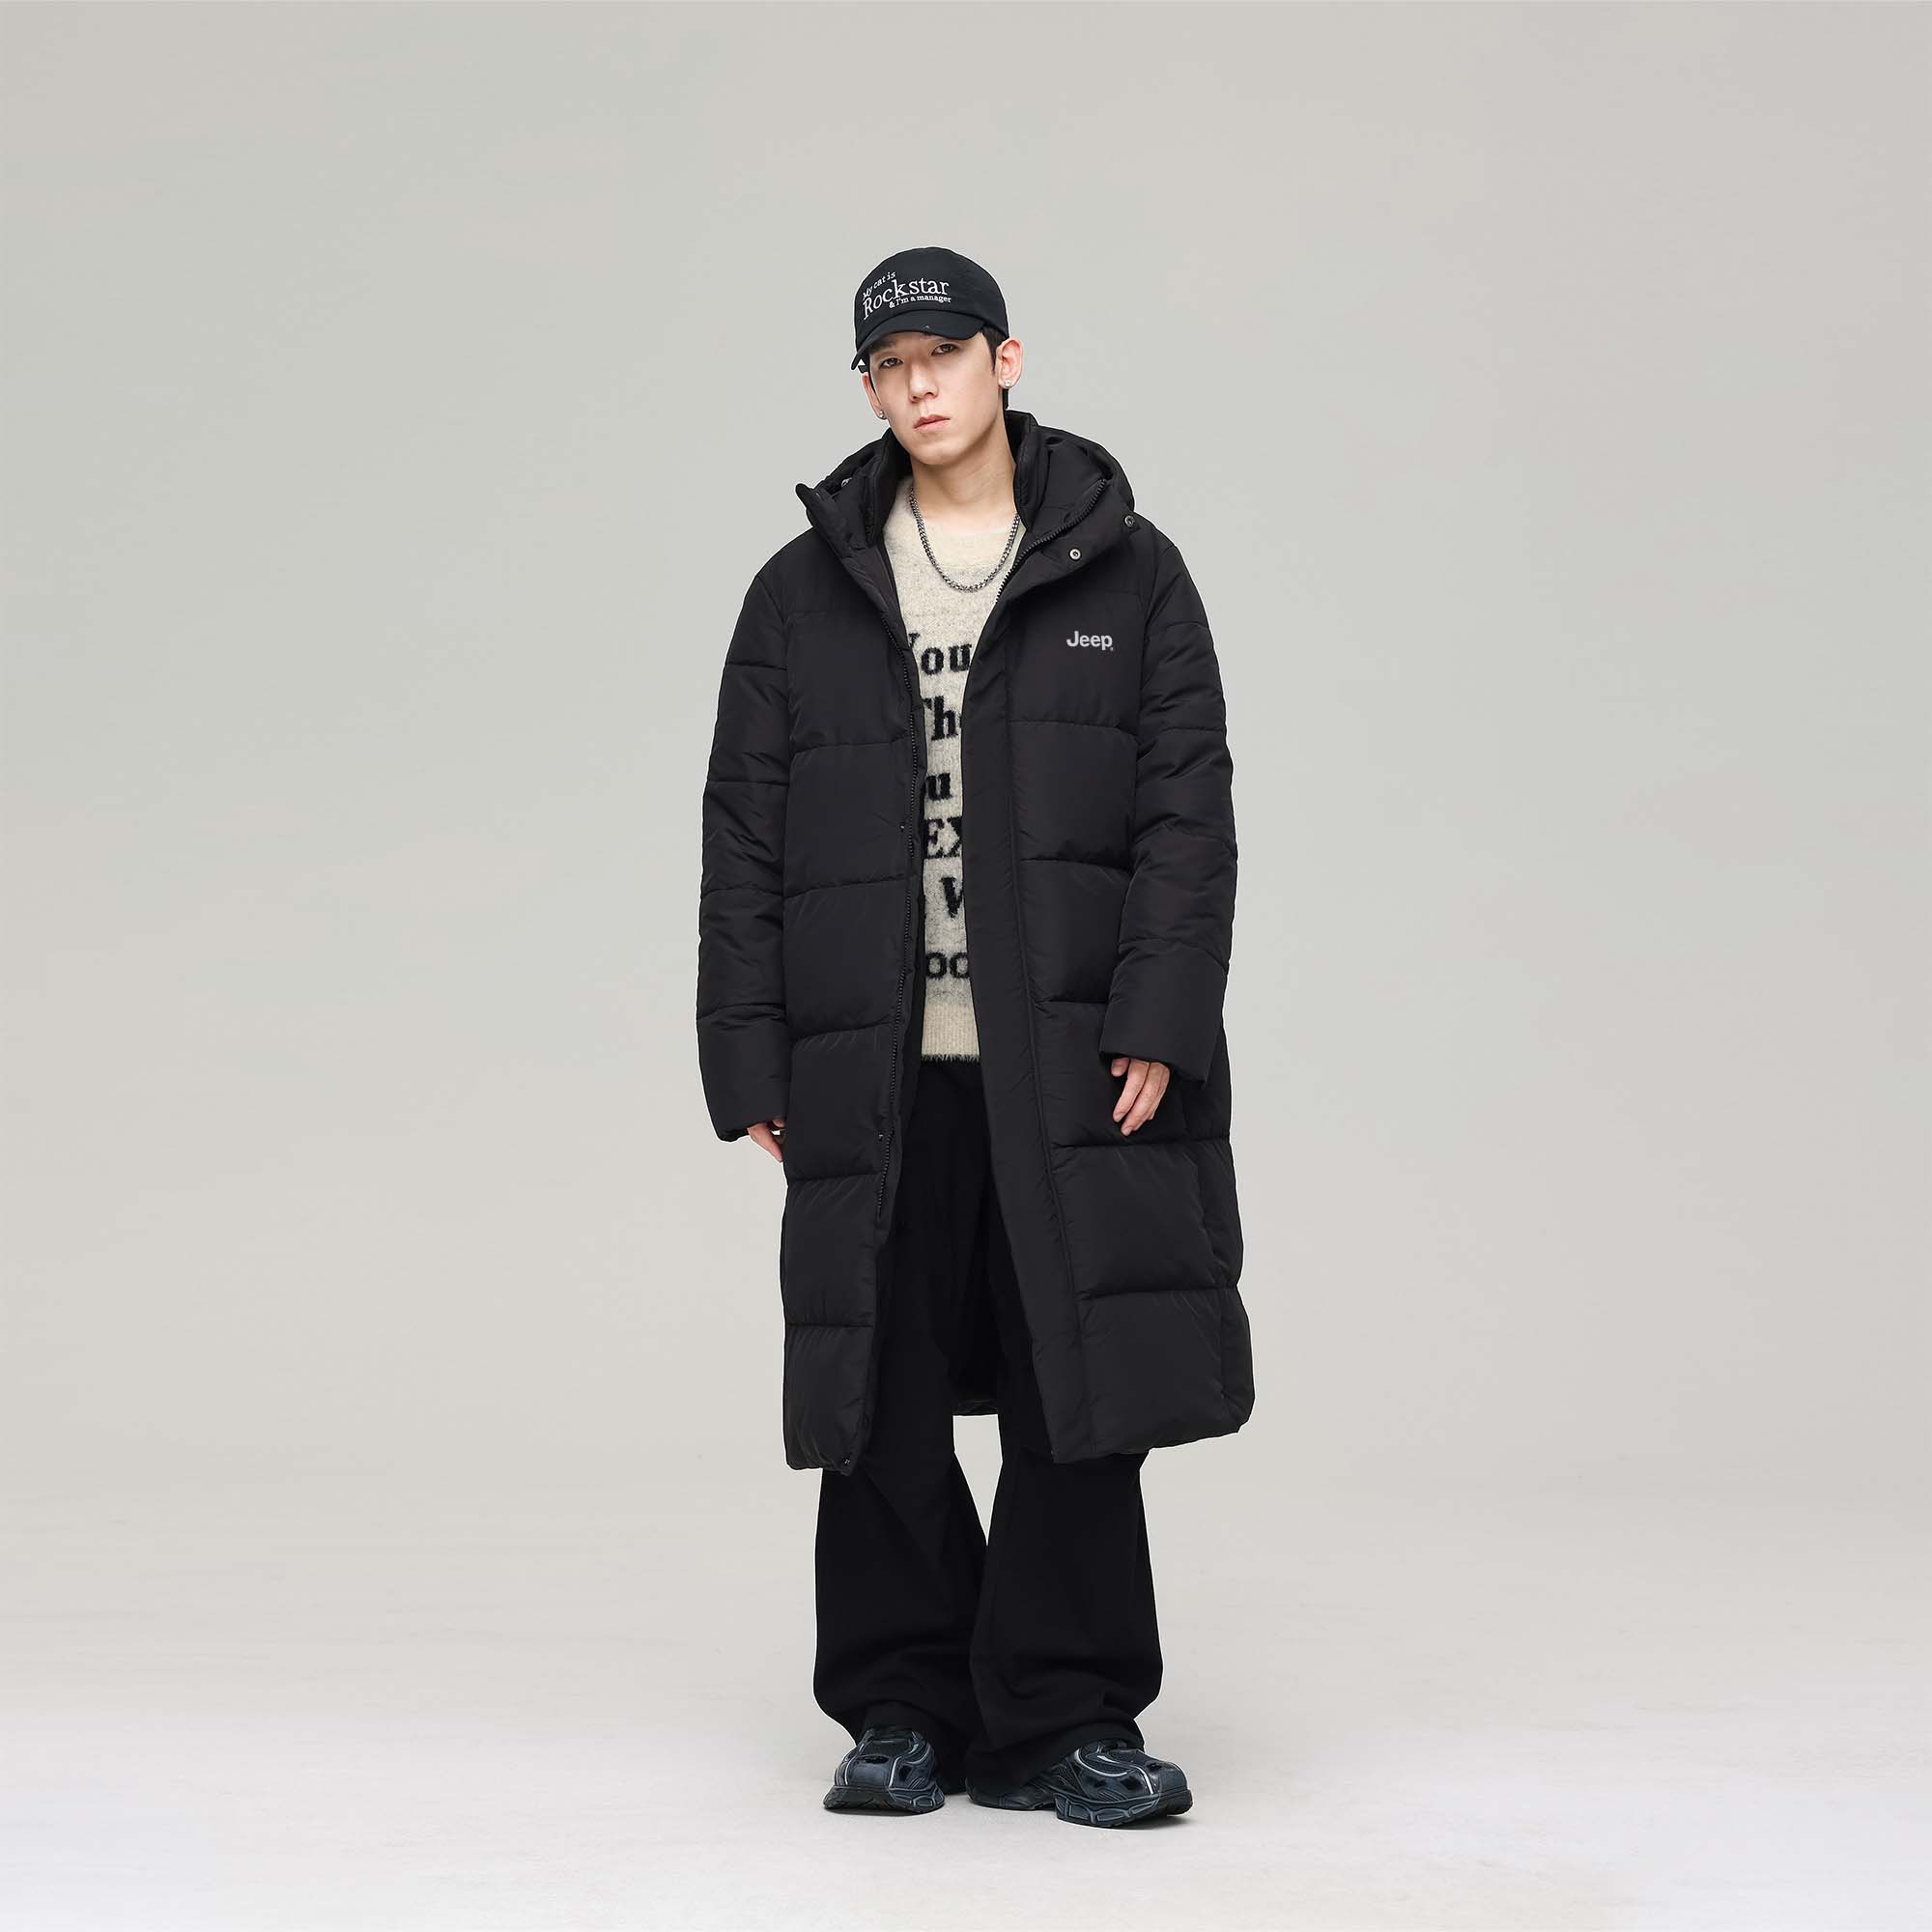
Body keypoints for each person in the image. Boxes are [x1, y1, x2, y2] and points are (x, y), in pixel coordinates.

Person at [696, 245, 1254, 1828]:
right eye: (887, 366)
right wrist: (747, 1056)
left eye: (942, 354)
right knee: (874, 1392)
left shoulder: (1127, 572)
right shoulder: (802, 592)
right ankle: (902, 1710)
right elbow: (744, 833)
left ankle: (1068, 1717)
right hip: (871, 1059)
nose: (916, 387)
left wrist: (1159, 1015)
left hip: (1066, 1060)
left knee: (1083, 1386)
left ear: (1006, 360)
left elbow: (1187, 817)